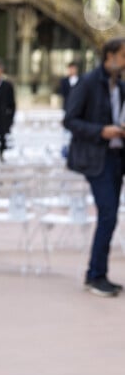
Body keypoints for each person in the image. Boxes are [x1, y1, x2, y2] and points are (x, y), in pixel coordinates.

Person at [64, 39, 125, 297]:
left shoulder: (120, 85)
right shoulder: (88, 82)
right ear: (110, 55)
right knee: (108, 213)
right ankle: (94, 275)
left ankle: (99, 274)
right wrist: (101, 131)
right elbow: (70, 120)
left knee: (109, 217)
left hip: (117, 158)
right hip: (96, 160)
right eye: (124, 55)